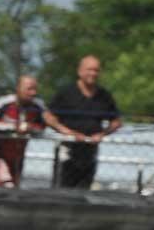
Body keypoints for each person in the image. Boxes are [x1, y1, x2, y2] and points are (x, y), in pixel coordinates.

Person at [44, 55, 122, 189]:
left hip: (90, 153)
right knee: (62, 189)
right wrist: (67, 132)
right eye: (89, 70)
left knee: (84, 191)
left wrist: (102, 134)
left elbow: (116, 121)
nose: (93, 73)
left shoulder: (104, 96)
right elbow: (48, 116)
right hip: (67, 150)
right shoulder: (66, 92)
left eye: (96, 70)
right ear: (80, 71)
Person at [0, 75, 46, 188]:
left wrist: (31, 128)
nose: (33, 93)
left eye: (35, 89)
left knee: (14, 189)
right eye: (29, 89)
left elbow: (43, 127)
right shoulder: (3, 102)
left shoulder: (38, 106)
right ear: (18, 88)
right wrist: (13, 127)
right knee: (7, 186)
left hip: (18, 158)